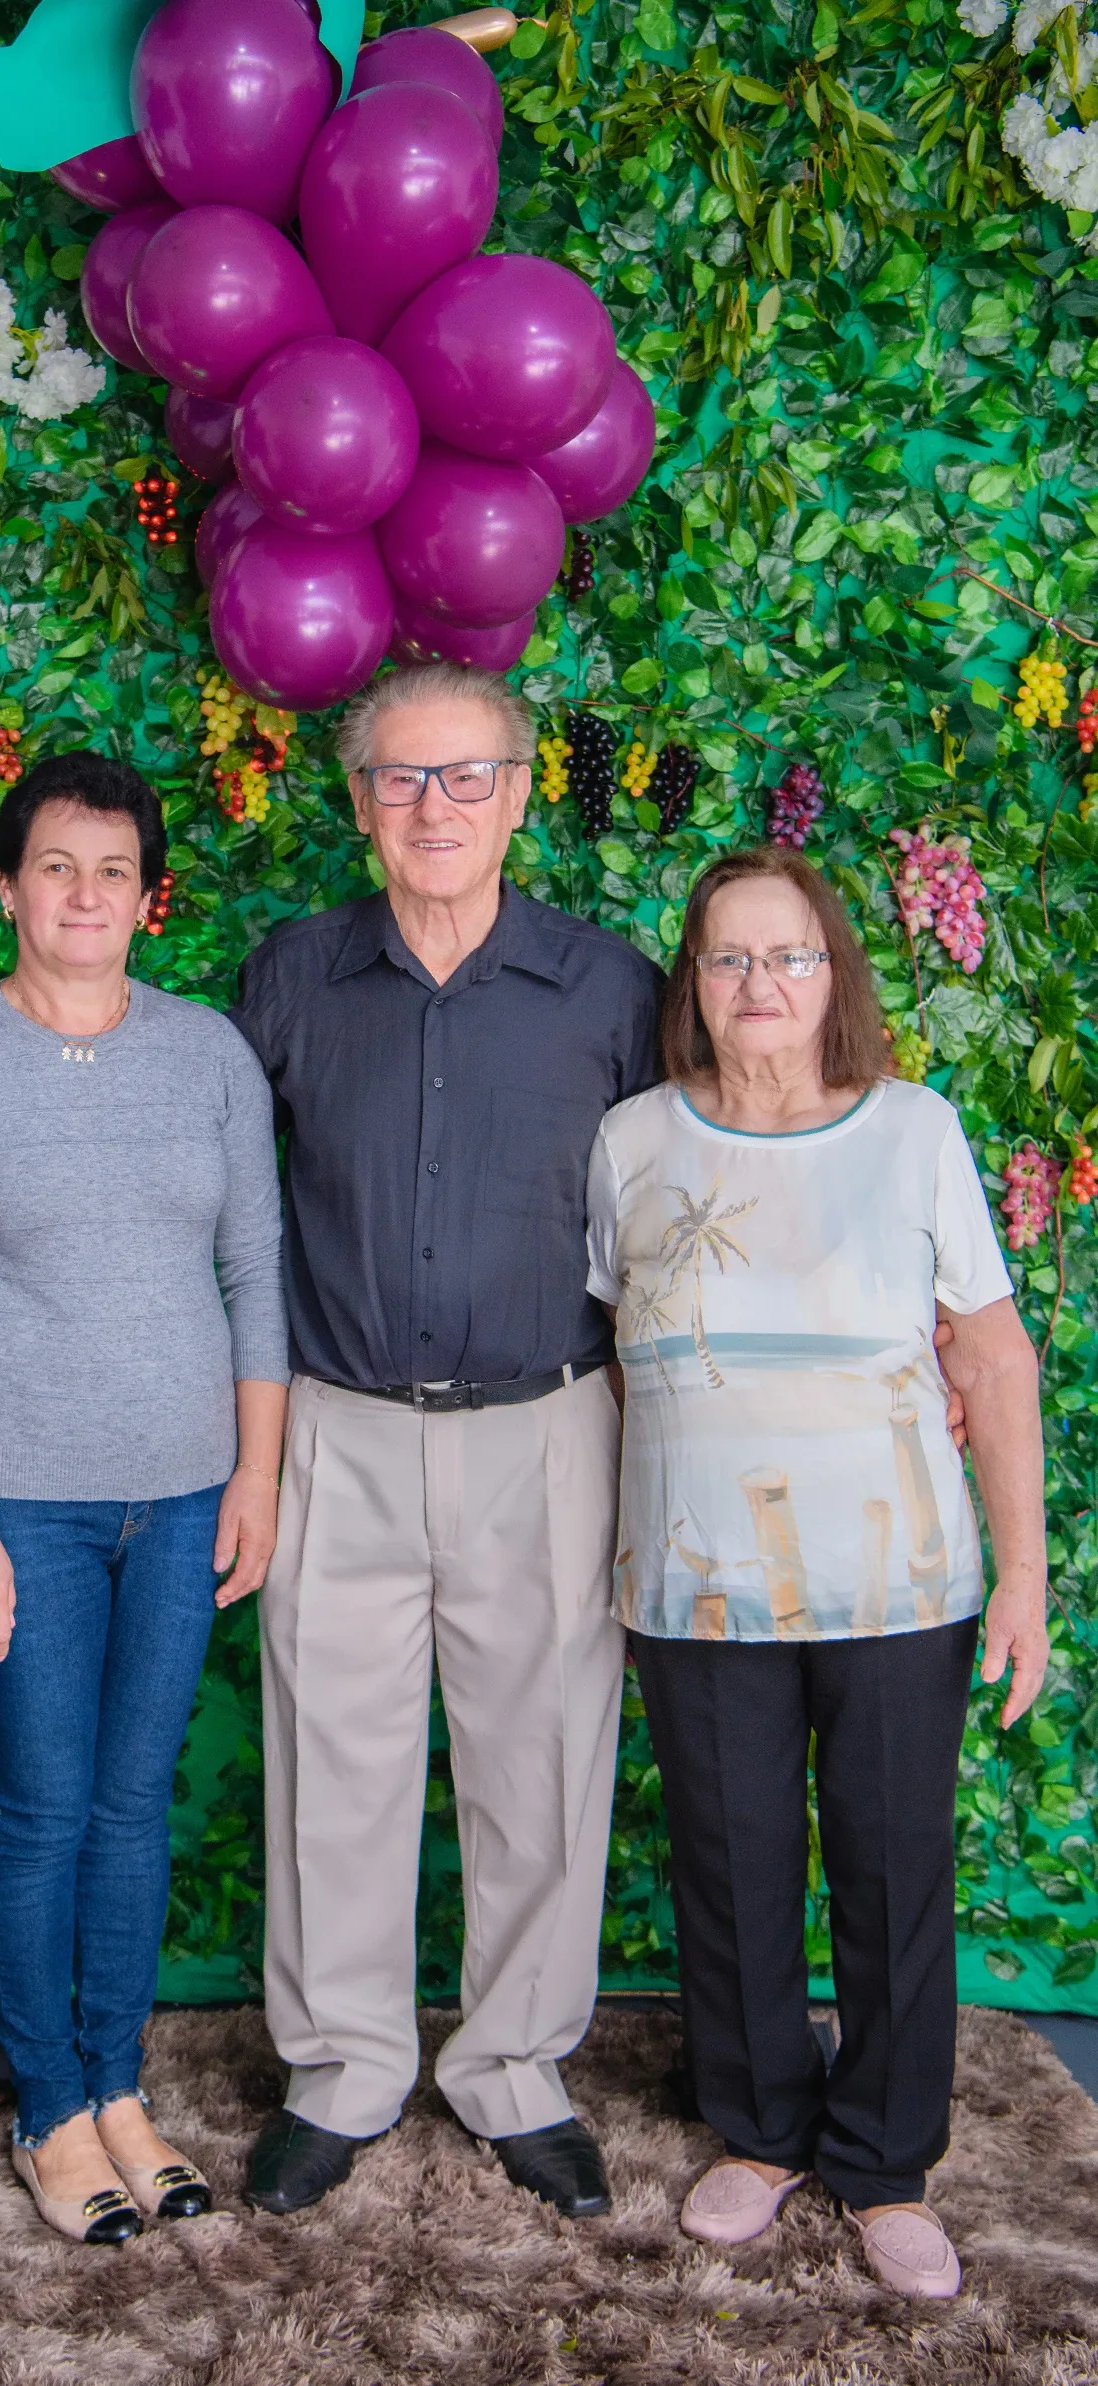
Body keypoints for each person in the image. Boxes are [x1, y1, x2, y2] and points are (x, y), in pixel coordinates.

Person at [231, 661, 663, 2219]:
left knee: (542, 1758)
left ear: (522, 794)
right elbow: (227, 1213)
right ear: (359, 804)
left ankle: (515, 2068)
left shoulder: (611, 990)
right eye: (403, 778)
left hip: (548, 1426)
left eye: (467, 774)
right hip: (336, 1426)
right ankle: (341, 2067)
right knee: (330, 1759)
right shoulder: (291, 975)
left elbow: (675, 1217)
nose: (435, 806)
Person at [586, 844, 1047, 2299]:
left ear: (833, 971)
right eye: (728, 957)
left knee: (893, 1864)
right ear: (694, 982)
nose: (760, 984)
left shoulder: (913, 1131)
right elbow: (619, 1358)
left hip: (900, 1580)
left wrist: (1025, 1578)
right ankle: (763, 2128)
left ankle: (886, 2159)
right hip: (697, 1583)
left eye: (789, 955)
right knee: (729, 1862)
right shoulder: (630, 1142)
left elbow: (993, 1357)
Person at [0, 750, 288, 2246]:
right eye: (58, 866)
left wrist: (257, 1473)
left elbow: (257, 1273)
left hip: (181, 1499)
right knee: (42, 1807)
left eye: (115, 871)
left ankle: (118, 2085)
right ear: (7, 885)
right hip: (24, 1509)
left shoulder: (210, 1055)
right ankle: (49, 2107)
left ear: (148, 897)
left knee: (131, 1806)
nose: (86, 895)